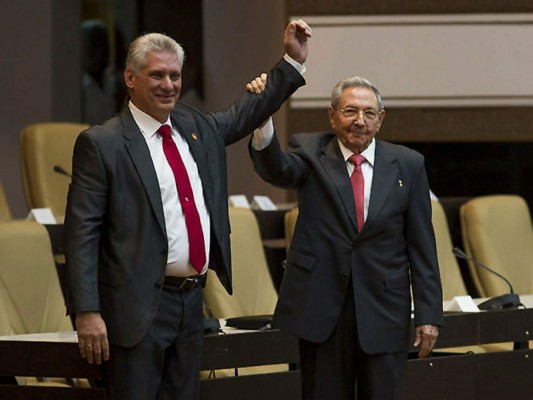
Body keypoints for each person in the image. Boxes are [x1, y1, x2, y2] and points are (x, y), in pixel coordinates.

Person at [63, 19, 311, 400]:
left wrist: (291, 61)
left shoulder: (194, 126)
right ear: (130, 78)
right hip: (136, 309)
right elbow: (82, 233)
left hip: (191, 302)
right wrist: (87, 311)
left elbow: (244, 113)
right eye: (157, 75)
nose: (168, 85)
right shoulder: (103, 144)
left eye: (175, 75)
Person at [248, 75, 444, 400]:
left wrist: (428, 315)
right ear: (332, 115)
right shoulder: (310, 152)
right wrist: (263, 117)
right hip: (322, 310)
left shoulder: (408, 165)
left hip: (384, 309)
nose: (359, 121)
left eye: (369, 113)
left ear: (381, 119)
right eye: (350, 111)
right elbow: (277, 170)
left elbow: (422, 246)